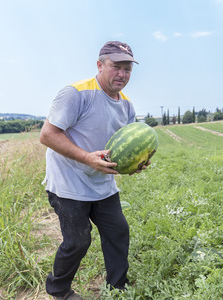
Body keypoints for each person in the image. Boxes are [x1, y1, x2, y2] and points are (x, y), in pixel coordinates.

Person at [40, 41, 147, 300]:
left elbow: (123, 146)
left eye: (127, 70)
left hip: (102, 185)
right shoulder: (76, 93)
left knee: (118, 232)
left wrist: (135, 164)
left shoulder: (127, 105)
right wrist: (87, 158)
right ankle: (59, 290)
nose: (122, 74)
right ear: (100, 65)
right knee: (78, 241)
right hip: (68, 183)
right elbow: (48, 135)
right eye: (116, 67)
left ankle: (116, 289)